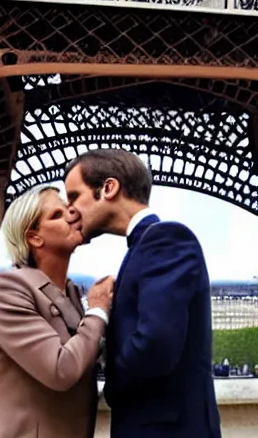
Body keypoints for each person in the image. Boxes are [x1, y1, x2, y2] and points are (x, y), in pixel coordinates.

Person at [65, 149, 221, 438]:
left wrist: (110, 385)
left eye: (74, 196)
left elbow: (156, 344)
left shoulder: (166, 239)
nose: (70, 210)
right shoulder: (145, 246)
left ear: (108, 188)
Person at [0, 185, 114, 438]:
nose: (72, 214)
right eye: (57, 215)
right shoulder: (9, 288)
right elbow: (61, 370)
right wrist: (97, 311)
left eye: (68, 209)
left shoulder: (70, 292)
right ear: (34, 238)